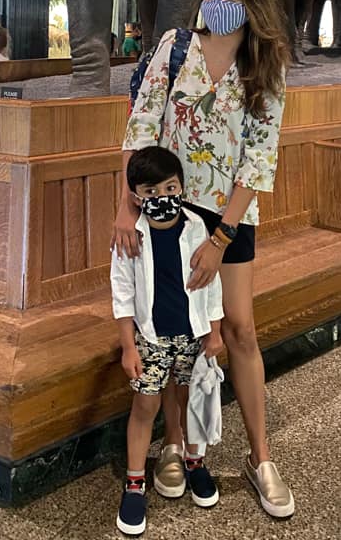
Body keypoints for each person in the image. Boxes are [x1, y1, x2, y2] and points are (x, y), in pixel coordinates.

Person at [114, 0, 295, 519]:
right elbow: (141, 129)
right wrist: (125, 208)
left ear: (251, 3)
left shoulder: (265, 63)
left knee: (238, 328)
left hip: (228, 220)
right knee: (172, 327)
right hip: (167, 210)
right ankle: (174, 444)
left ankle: (260, 456)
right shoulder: (174, 49)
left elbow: (259, 160)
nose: (219, 5)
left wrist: (218, 242)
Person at [111, 146, 224, 535]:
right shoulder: (130, 237)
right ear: (135, 196)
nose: (162, 198)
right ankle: (135, 481)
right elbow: (122, 295)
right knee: (145, 405)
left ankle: (195, 461)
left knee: (191, 400)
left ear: (181, 186)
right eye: (151, 191)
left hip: (193, 334)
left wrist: (215, 332)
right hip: (150, 338)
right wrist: (128, 345)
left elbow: (212, 286)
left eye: (170, 187)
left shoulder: (195, 227)